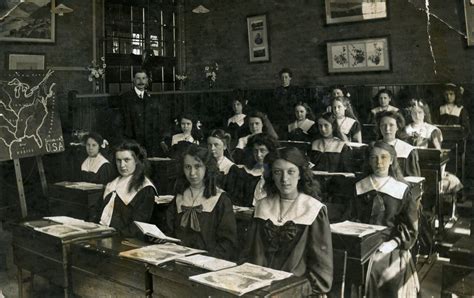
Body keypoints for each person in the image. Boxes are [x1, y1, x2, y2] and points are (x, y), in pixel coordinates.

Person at [244, 147, 333, 296]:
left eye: (291, 172)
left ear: (300, 174)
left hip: (297, 290)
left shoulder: (313, 210)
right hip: (259, 286)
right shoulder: (262, 206)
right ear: (272, 175)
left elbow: (321, 274)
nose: (284, 179)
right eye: (278, 172)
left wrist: (288, 291)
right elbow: (248, 254)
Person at [353, 141, 419, 297]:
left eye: (384, 157)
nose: (379, 162)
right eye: (374, 158)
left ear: (391, 161)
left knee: (381, 270)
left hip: (391, 245)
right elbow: (352, 218)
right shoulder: (359, 186)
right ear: (369, 161)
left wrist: (393, 243)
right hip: (361, 243)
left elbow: (410, 227)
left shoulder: (402, 189)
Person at [166, 145, 237, 260]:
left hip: (208, 263)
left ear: (207, 168)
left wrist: (203, 259)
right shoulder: (179, 197)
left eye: (197, 166)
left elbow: (227, 244)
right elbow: (169, 233)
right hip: (179, 260)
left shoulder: (220, 200)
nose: (192, 173)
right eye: (187, 167)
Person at [94, 140, 157, 237]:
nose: (122, 165)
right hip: (103, 234)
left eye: (126, 160)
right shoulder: (112, 183)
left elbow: (137, 227)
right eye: (118, 160)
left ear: (136, 160)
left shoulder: (145, 188)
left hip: (123, 239)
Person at [118, 70, 167, 155]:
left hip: (149, 143)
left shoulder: (151, 99)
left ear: (147, 80)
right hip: (132, 141)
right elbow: (122, 122)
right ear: (133, 80)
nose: (141, 81)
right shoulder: (125, 98)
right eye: (138, 78)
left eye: (143, 78)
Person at [227, 133, 278, 207]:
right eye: (255, 151)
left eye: (262, 150)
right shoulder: (242, 171)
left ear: (270, 152)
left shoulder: (274, 174)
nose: (258, 155)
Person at [376, 111, 421, 177]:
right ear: (379, 127)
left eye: (391, 125)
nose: (387, 129)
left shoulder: (407, 150)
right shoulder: (373, 148)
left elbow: (413, 179)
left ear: (397, 127)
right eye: (383, 125)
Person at [271, 68, 304, 136]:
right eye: (282, 77)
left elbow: (298, 103)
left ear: (290, 78)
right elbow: (274, 105)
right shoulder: (276, 91)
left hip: (293, 116)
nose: (284, 79)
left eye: (286, 77)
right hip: (280, 117)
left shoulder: (296, 90)